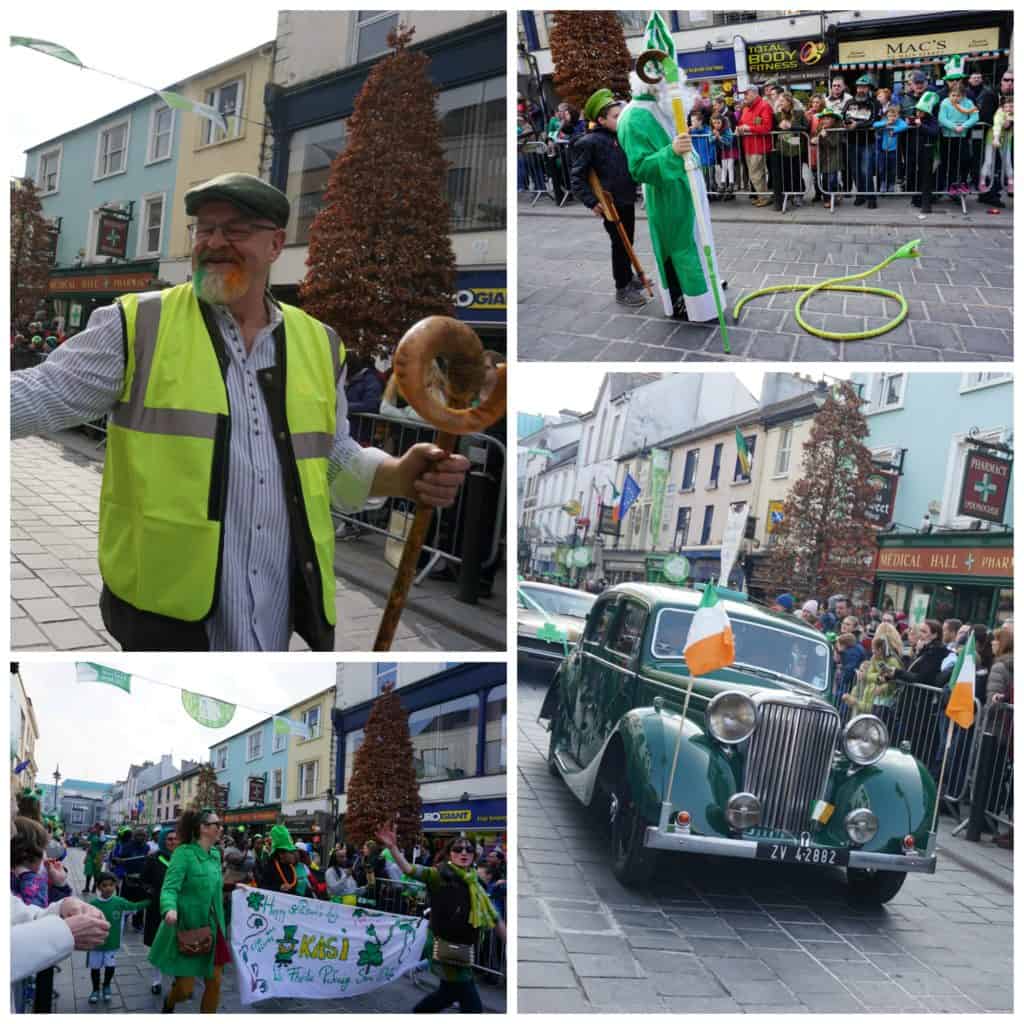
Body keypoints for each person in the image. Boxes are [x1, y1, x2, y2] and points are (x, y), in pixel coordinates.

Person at [11, 172, 470, 653]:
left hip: (274, 619)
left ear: (275, 244)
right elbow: (38, 393)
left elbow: (329, 462)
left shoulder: (320, 343)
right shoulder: (137, 324)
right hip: (167, 618)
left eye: (235, 230)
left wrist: (397, 475)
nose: (214, 242)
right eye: (204, 229)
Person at [617, 56, 725, 322]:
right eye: (670, 82)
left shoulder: (663, 107)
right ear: (653, 83)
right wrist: (673, 152)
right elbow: (639, 168)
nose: (676, 88)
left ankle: (704, 292)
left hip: (687, 189)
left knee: (696, 243)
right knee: (679, 247)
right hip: (669, 196)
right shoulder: (634, 116)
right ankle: (688, 301)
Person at [376, 827, 505, 1013]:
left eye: (468, 849)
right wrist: (393, 847)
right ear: (450, 854)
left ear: (474, 856)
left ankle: (419, 1013)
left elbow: (494, 917)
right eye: (458, 849)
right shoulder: (438, 875)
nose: (463, 852)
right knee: (473, 1007)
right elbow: (409, 869)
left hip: (464, 950)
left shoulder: (475, 883)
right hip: (444, 948)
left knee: (448, 993)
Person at [148, 807, 229, 1013]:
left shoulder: (215, 855)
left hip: (214, 927)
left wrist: (238, 887)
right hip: (188, 929)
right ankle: (170, 1002)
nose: (221, 828)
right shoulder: (183, 854)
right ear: (202, 828)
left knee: (215, 982)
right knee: (185, 990)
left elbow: (214, 887)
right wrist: (169, 909)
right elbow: (169, 888)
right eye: (216, 824)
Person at [570, 89, 645, 308]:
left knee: (627, 241)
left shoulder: (620, 136)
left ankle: (629, 277)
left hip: (626, 197)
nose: (620, 119)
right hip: (610, 203)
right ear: (601, 120)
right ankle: (622, 287)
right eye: (615, 116)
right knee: (619, 244)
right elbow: (577, 176)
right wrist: (592, 202)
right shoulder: (589, 142)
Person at [84, 872, 148, 1005]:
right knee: (95, 968)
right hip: (96, 944)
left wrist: (150, 901)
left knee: (110, 966)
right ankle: (95, 990)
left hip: (112, 943)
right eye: (104, 885)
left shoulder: (120, 902)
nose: (108, 888)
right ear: (98, 887)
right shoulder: (92, 904)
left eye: (111, 885)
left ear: (116, 885)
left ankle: (106, 986)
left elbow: (135, 906)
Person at [140, 825, 179, 995]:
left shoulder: (182, 858)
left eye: (176, 839)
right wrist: (153, 893)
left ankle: (180, 979)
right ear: (163, 840)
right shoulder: (153, 859)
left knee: (179, 944)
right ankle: (157, 980)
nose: (173, 842)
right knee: (158, 944)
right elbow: (144, 881)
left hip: (179, 908)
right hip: (158, 908)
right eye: (169, 839)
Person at [937, 57, 979, 197]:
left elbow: (975, 116)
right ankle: (950, 186)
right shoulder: (943, 100)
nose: (956, 97)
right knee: (948, 162)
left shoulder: (968, 100)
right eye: (953, 95)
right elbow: (941, 118)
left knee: (965, 160)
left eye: (959, 95)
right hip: (947, 137)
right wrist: (954, 127)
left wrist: (965, 126)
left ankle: (962, 184)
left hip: (963, 136)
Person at [843, 75, 881, 207]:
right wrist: (846, 124)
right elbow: (843, 117)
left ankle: (871, 198)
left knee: (866, 170)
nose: (861, 89)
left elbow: (874, 121)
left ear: (869, 89)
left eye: (864, 87)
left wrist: (857, 125)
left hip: (867, 142)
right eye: (859, 87)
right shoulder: (849, 103)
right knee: (855, 170)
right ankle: (860, 195)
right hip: (852, 141)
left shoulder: (874, 103)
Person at [736, 85, 775, 207]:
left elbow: (767, 127)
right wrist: (739, 128)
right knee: (755, 174)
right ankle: (762, 196)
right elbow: (742, 123)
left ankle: (764, 197)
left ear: (754, 93)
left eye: (746, 94)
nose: (744, 97)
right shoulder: (746, 108)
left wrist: (749, 128)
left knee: (756, 174)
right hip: (748, 145)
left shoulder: (764, 106)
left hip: (759, 146)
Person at [843, 635, 901, 716]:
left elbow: (895, 679)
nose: (872, 651)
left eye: (873, 649)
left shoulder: (892, 661)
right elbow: (868, 674)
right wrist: (878, 677)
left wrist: (884, 685)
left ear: (880, 649)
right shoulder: (874, 658)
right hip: (876, 694)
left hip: (887, 700)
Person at [907, 90, 941, 215]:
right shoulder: (915, 118)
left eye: (921, 111)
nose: (918, 113)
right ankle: (916, 199)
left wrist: (921, 125)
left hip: (927, 152)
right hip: (914, 151)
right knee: (915, 176)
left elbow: (934, 131)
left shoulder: (931, 119)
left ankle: (926, 203)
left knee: (926, 178)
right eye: (917, 111)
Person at [773, 93, 808, 211]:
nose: (780, 102)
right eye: (779, 100)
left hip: (796, 147)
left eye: (782, 100)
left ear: (789, 101)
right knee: (785, 173)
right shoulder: (777, 115)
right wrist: (779, 126)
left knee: (796, 172)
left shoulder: (799, 113)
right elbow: (773, 129)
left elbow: (806, 127)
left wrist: (791, 125)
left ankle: (798, 195)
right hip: (782, 147)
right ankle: (788, 194)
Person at [873, 105, 908, 192]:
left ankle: (891, 184)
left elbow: (905, 126)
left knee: (893, 169)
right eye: (890, 116)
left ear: (898, 116)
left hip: (894, 150)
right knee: (882, 168)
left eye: (894, 116)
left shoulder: (899, 122)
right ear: (886, 116)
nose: (892, 118)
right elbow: (875, 124)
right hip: (883, 150)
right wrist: (886, 123)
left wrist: (894, 129)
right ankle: (883, 182)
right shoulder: (885, 121)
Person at [259, 824, 301, 894]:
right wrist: (278, 887)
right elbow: (262, 887)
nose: (294, 854)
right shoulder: (270, 866)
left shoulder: (290, 866)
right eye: (291, 851)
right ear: (281, 853)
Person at [710, 113, 737, 200]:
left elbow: (729, 141)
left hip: (731, 150)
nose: (716, 125)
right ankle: (723, 183)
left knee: (730, 167)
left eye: (718, 122)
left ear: (722, 122)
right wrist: (715, 137)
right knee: (724, 167)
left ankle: (731, 183)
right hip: (723, 151)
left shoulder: (727, 129)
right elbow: (710, 140)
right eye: (714, 123)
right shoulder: (714, 130)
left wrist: (720, 137)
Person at [83, 824, 106, 894]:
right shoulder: (92, 835)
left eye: (98, 828)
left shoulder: (102, 836)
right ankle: (87, 888)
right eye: (95, 827)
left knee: (96, 873)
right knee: (88, 872)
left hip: (98, 857)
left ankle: (94, 888)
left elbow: (102, 841)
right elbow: (86, 842)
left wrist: (102, 832)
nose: (95, 829)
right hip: (90, 856)